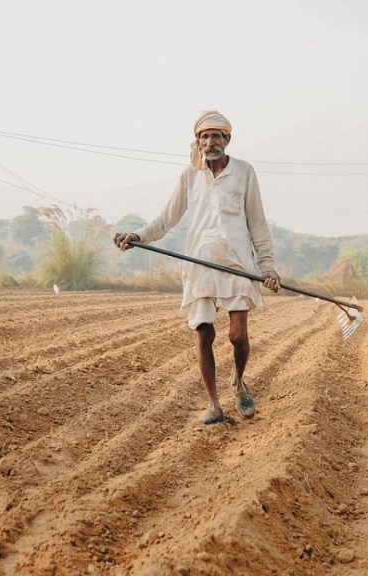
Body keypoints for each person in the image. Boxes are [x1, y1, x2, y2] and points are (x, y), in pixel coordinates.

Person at [114, 111, 281, 425]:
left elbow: (257, 222)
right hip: (199, 264)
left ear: (227, 140)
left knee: (236, 335)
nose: (209, 142)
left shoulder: (245, 172)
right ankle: (214, 405)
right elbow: (166, 219)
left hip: (237, 264)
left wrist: (268, 265)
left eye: (216, 136)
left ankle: (239, 381)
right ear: (198, 142)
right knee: (204, 333)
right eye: (204, 137)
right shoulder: (189, 175)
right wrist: (137, 235)